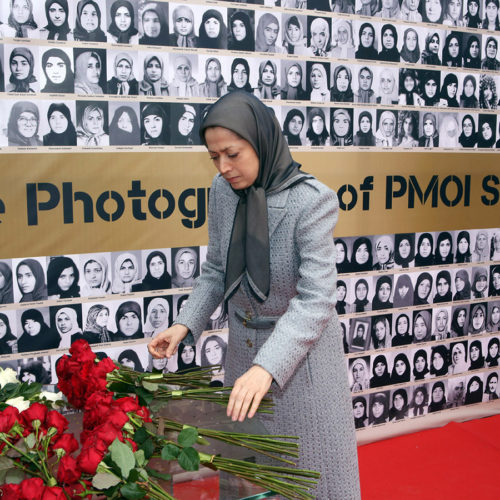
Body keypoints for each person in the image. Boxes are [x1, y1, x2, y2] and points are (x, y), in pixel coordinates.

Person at [148, 91, 360, 497]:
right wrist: (184, 323)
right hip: (243, 357)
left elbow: (316, 300)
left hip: (301, 369)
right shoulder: (222, 191)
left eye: (232, 154)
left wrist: (268, 367)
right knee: (250, 478)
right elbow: (216, 270)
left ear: (260, 140)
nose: (224, 168)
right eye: (214, 157)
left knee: (309, 478)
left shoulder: (312, 201)